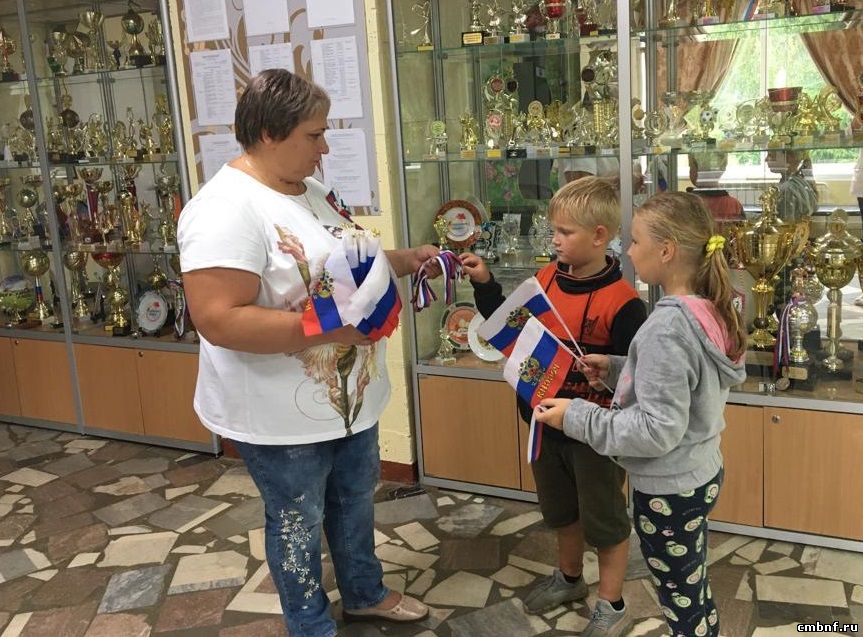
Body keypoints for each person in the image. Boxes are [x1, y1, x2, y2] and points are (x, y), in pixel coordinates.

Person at [177, 69, 438, 637]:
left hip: (347, 401)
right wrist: (327, 333)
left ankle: (364, 593)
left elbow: (342, 265)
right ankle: (310, 623)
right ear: (269, 133)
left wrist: (404, 259)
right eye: (314, 135)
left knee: (354, 501)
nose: (325, 149)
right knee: (298, 520)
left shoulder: (307, 190)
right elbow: (218, 319)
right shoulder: (224, 209)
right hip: (279, 415)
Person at [534, 191, 747, 637]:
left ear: (666, 251)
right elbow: (682, 384)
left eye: (634, 241)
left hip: (669, 488)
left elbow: (656, 430)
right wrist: (616, 369)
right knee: (691, 582)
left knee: (680, 599)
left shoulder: (666, 328)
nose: (627, 251)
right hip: (700, 471)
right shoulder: (706, 308)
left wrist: (576, 416)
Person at [462, 177, 646, 636]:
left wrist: (605, 375)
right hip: (544, 422)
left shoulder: (624, 302)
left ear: (599, 236)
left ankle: (612, 603)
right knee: (560, 509)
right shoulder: (544, 278)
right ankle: (569, 578)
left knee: (605, 520)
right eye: (554, 231)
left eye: (565, 232)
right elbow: (508, 323)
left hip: (596, 434)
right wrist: (485, 283)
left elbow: (634, 377)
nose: (555, 240)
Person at [687, 152, 744, 221]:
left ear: (697, 170)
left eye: (690, 167)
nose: (689, 172)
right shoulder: (734, 204)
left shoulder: (686, 203)